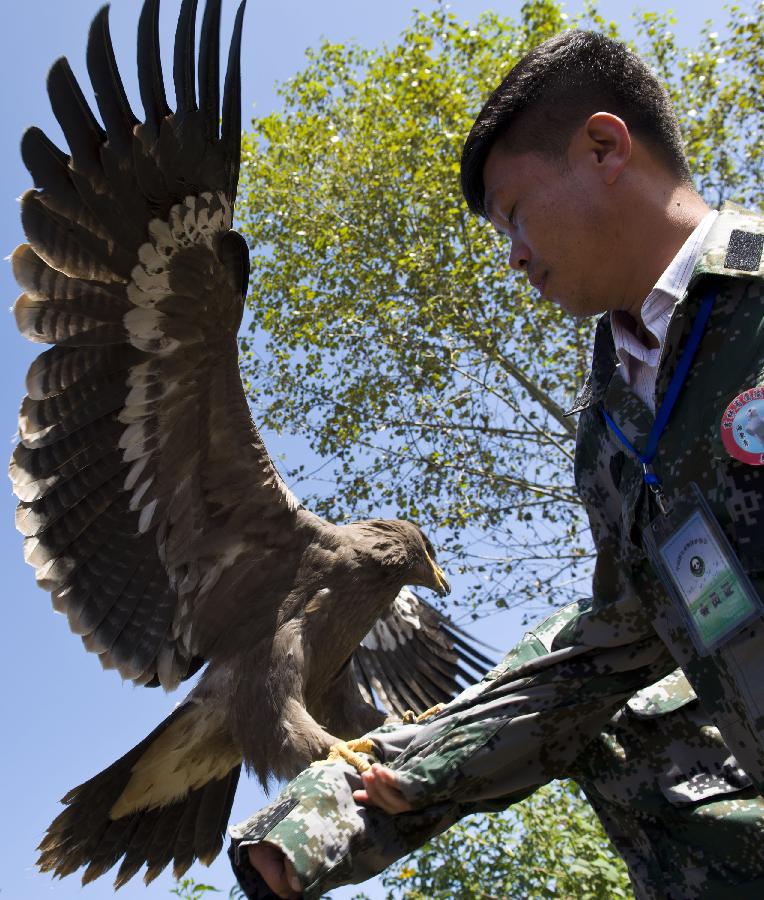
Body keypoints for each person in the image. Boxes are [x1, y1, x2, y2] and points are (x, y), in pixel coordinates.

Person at [229, 29, 764, 899]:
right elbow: (596, 661)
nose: (512, 253)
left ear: (604, 147)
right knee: (632, 725)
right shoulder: (611, 437)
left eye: (515, 213)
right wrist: (331, 821)